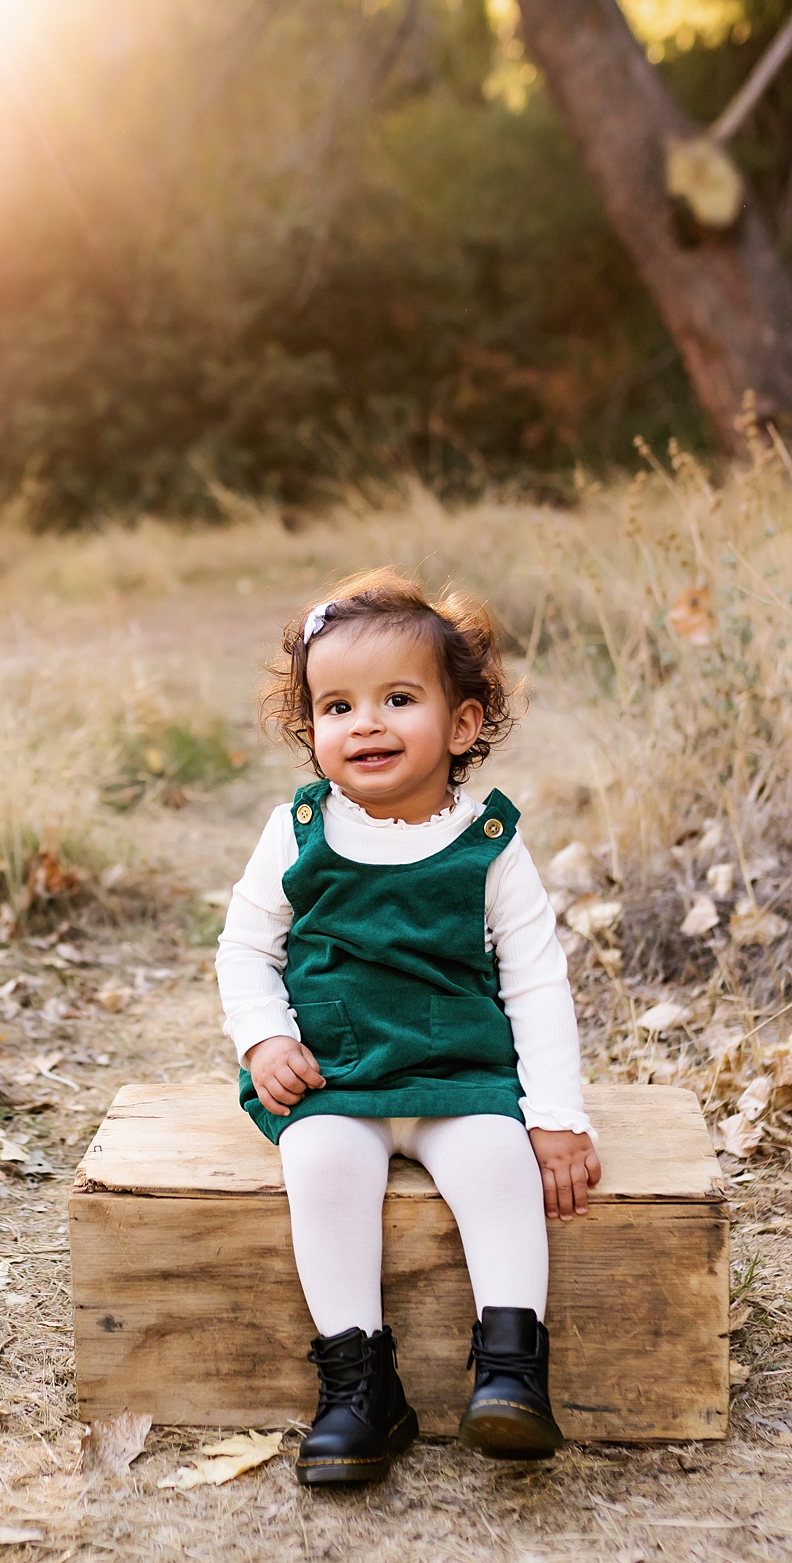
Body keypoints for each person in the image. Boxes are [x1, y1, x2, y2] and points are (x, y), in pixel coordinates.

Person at [213, 568, 600, 1486]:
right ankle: (358, 1387)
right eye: (337, 706)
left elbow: (539, 983)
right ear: (312, 731)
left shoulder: (490, 845)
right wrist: (265, 1038)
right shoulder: (299, 832)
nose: (367, 723)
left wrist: (555, 1115)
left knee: (500, 1169)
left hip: (456, 1074)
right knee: (319, 1165)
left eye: (398, 698)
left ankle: (510, 1372)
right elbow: (244, 950)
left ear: (462, 724)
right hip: (338, 1074)